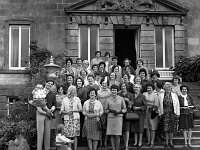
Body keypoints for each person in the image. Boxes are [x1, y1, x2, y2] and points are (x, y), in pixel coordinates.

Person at [158, 82, 180, 148]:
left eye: (169, 87)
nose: (168, 88)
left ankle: (171, 141)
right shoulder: (161, 95)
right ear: (164, 88)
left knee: (171, 129)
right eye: (166, 87)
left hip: (172, 113)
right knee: (165, 128)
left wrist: (178, 113)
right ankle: (167, 142)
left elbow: (177, 105)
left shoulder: (174, 95)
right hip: (164, 113)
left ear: (171, 88)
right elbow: (159, 105)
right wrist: (160, 113)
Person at [36, 79, 56, 150]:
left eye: (51, 84)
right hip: (40, 113)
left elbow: (54, 104)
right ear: (45, 83)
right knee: (40, 134)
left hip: (49, 115)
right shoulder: (39, 92)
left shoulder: (52, 94)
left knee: (47, 134)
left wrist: (52, 109)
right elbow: (37, 102)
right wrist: (44, 111)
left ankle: (47, 148)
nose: (49, 85)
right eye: (49, 83)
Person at [61, 85, 82, 150]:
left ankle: (75, 148)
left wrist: (73, 111)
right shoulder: (64, 99)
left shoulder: (77, 99)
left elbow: (80, 109)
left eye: (75, 90)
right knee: (68, 136)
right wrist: (67, 112)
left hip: (75, 119)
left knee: (75, 135)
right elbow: (62, 110)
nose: (75, 91)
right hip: (67, 119)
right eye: (73, 90)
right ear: (70, 91)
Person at [105, 84, 127, 150]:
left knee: (117, 135)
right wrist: (111, 111)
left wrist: (120, 112)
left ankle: (117, 148)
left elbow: (125, 109)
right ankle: (113, 148)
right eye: (112, 90)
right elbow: (105, 110)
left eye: (115, 90)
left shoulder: (121, 99)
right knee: (111, 134)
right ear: (111, 91)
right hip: (111, 117)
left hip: (119, 118)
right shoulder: (108, 99)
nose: (114, 92)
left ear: (117, 91)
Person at [131, 83, 147, 148]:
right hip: (134, 114)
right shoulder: (132, 95)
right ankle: (135, 141)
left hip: (140, 114)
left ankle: (140, 141)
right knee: (134, 128)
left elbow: (145, 105)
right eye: (135, 87)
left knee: (140, 128)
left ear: (140, 88)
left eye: (137, 87)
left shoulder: (143, 96)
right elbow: (130, 104)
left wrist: (139, 108)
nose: (136, 89)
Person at [143, 82, 159, 147]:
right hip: (145, 112)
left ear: (152, 88)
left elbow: (157, 104)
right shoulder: (144, 94)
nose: (149, 89)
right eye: (148, 88)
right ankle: (148, 141)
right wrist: (150, 103)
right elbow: (143, 102)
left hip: (152, 112)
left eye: (150, 88)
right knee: (147, 127)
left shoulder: (155, 94)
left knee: (153, 127)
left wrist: (149, 103)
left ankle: (152, 142)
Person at [118, 83, 133, 150]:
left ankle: (126, 146)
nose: (123, 87)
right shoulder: (118, 94)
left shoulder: (130, 94)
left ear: (127, 87)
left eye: (124, 86)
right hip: (120, 113)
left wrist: (128, 100)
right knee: (122, 130)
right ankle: (123, 144)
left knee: (126, 129)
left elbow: (131, 105)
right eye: (122, 86)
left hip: (127, 113)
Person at [97, 77, 111, 147]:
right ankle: (100, 141)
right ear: (101, 84)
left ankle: (105, 141)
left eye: (105, 83)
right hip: (99, 111)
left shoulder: (109, 91)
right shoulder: (98, 92)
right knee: (99, 127)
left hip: (107, 111)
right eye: (103, 83)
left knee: (106, 127)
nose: (104, 84)